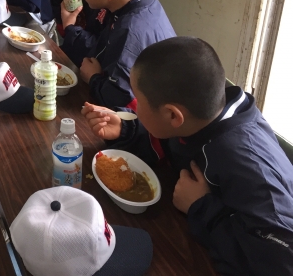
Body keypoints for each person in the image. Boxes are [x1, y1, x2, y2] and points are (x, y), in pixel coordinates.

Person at [81, 37, 293, 276]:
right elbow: (174, 140)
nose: (135, 108)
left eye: (139, 102)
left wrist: (201, 207)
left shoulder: (248, 164)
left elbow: (283, 262)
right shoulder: (203, 116)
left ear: (173, 115)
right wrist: (127, 129)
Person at [61, 0, 174, 109]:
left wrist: (93, 78)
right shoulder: (143, 2)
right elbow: (100, 49)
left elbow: (119, 99)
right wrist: (71, 28)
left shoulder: (130, 29)